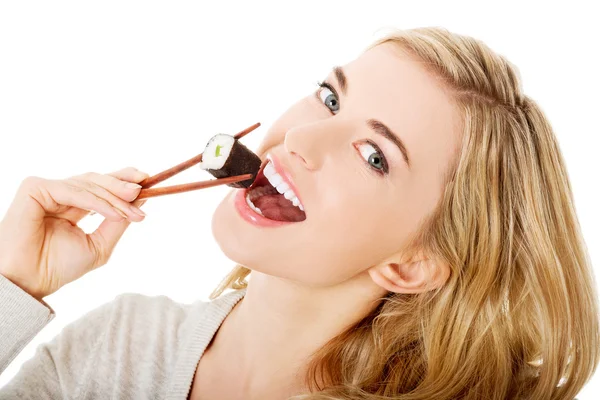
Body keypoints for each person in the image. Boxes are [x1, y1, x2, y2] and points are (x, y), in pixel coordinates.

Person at [0, 26, 598, 400]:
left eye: (373, 155)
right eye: (332, 98)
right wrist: (12, 285)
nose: (304, 138)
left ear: (412, 264)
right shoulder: (121, 344)